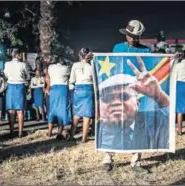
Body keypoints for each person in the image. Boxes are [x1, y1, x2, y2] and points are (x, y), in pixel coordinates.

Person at [98, 58, 169, 172]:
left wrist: (159, 96)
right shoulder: (99, 126)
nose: (116, 102)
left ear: (137, 103)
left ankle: (136, 161)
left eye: (124, 96)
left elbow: (169, 116)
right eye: (108, 98)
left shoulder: (152, 119)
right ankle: (107, 159)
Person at [103, 20, 151, 174]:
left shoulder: (146, 51)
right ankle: (108, 158)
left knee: (137, 126)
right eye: (130, 35)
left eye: (135, 36)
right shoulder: (118, 48)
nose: (131, 38)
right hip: (117, 92)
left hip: (137, 94)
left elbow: (150, 72)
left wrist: (172, 60)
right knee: (114, 123)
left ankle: (135, 161)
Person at [69, 47, 94, 143]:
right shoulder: (92, 65)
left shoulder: (75, 65)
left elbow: (72, 80)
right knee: (86, 115)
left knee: (77, 114)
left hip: (78, 89)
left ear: (80, 55)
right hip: (88, 88)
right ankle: (84, 139)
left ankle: (71, 136)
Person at [4, 49, 30, 137]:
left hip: (10, 86)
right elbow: (28, 76)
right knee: (20, 110)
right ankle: (20, 133)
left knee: (11, 110)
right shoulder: (23, 64)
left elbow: (6, 75)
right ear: (18, 55)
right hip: (20, 86)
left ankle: (11, 132)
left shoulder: (7, 64)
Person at [45, 55, 72, 140]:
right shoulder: (66, 68)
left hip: (53, 89)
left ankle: (49, 132)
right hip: (63, 89)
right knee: (63, 110)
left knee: (52, 110)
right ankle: (60, 132)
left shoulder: (50, 67)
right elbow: (69, 75)